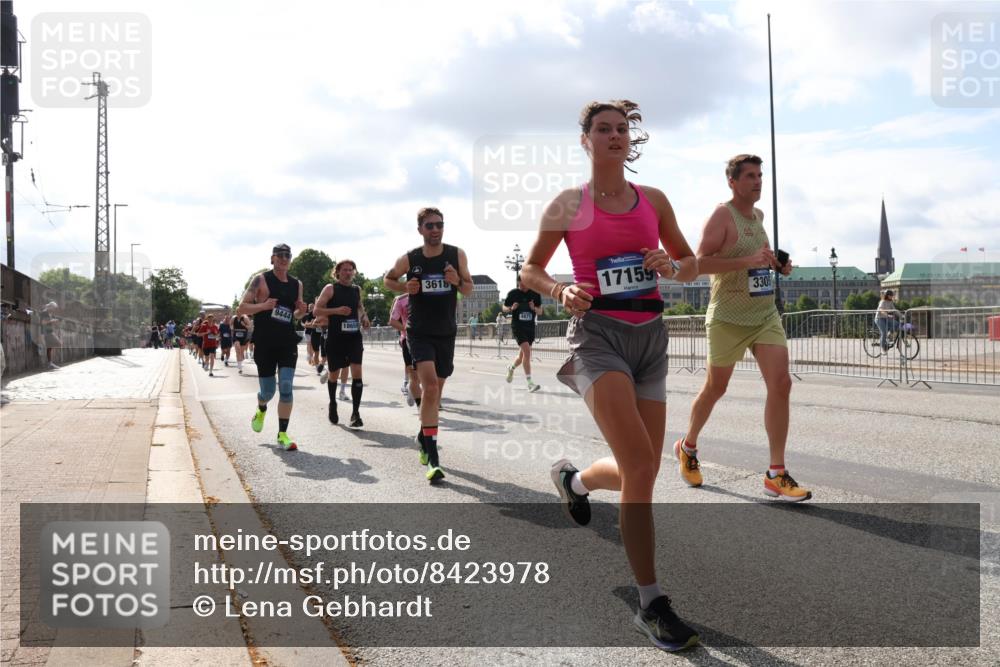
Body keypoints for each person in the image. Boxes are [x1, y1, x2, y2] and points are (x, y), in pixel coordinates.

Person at [521, 100, 700, 651]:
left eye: (623, 129)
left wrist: (671, 267)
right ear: (586, 140)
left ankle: (573, 482)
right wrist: (559, 291)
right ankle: (651, 604)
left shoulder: (656, 200)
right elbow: (529, 269)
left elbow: (690, 263)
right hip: (597, 337)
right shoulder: (568, 203)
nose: (615, 136)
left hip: (651, 338)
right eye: (604, 129)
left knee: (637, 473)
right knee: (644, 464)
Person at [673, 154, 811, 502]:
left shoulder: (759, 217)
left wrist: (778, 265)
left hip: (763, 314)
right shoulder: (722, 215)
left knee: (781, 384)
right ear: (732, 182)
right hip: (727, 318)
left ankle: (775, 474)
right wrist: (746, 261)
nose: (758, 181)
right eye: (750, 176)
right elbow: (699, 263)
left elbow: (758, 257)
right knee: (715, 389)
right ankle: (687, 446)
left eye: (760, 175)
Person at [384, 206, 474, 483]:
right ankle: (433, 459)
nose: (435, 230)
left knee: (438, 391)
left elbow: (468, 288)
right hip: (419, 332)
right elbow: (388, 279)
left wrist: (457, 281)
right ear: (420, 229)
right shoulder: (410, 258)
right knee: (430, 387)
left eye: (439, 225)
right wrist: (404, 288)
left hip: (445, 332)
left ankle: (423, 434)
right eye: (430, 226)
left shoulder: (456, 254)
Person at [236, 243, 307, 451]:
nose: (284, 258)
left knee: (286, 387)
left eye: (288, 255)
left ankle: (282, 434)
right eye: (280, 255)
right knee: (268, 392)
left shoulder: (297, 284)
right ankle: (261, 407)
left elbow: (295, 315)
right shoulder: (260, 279)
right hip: (265, 342)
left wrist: (301, 311)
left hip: (287, 341)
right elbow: (241, 308)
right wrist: (263, 306)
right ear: (273, 258)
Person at [315, 259, 370, 428]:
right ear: (337, 272)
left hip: (354, 337)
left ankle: (355, 413)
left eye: (351, 270)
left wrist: (364, 317)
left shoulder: (356, 290)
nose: (348, 272)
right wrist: (336, 311)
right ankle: (332, 403)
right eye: (345, 270)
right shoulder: (330, 289)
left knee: (357, 373)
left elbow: (359, 306)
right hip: (336, 338)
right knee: (333, 374)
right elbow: (316, 310)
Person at [503, 275, 543, 392]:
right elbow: (504, 307)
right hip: (518, 327)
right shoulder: (513, 293)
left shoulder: (535, 294)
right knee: (527, 352)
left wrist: (533, 308)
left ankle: (511, 368)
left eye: (524, 284)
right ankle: (530, 383)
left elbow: (540, 311)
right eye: (520, 284)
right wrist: (511, 308)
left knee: (522, 357)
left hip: (529, 328)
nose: (522, 286)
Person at [388, 292, 421, 408]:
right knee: (412, 368)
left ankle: (415, 388)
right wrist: (406, 329)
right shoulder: (400, 299)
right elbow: (392, 319)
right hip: (407, 338)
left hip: (427, 339)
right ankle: (411, 385)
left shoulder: (427, 294)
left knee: (425, 370)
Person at [40, 302, 61, 369]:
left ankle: (50, 363)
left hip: (49, 332)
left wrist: (53, 322)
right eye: (53, 308)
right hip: (47, 333)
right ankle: (50, 363)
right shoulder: (44, 312)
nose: (54, 310)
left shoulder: (49, 313)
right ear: (50, 307)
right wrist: (52, 321)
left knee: (49, 347)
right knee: (58, 343)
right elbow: (43, 322)